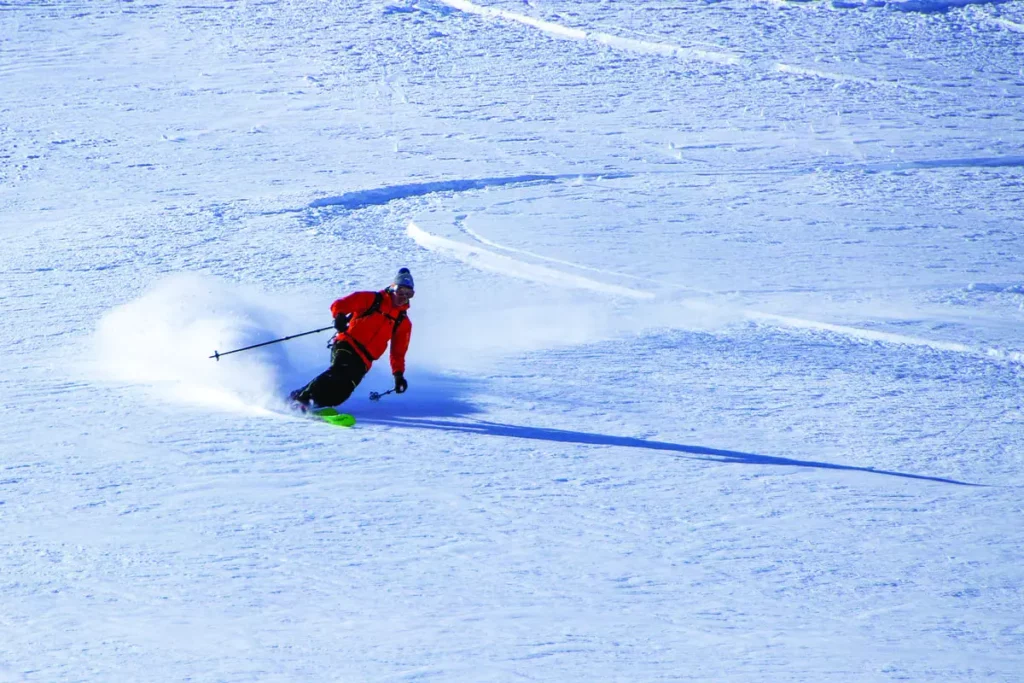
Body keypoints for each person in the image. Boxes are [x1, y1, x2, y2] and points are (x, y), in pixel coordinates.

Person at [289, 267, 413, 409]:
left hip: (365, 359)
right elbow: (340, 304)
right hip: (347, 343)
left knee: (344, 390)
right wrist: (339, 316)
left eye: (409, 294)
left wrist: (398, 375)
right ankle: (301, 401)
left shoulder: (403, 322)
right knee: (340, 372)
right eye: (400, 291)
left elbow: (398, 352)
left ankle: (313, 403)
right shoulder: (372, 299)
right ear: (392, 288)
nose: (403, 297)